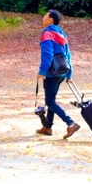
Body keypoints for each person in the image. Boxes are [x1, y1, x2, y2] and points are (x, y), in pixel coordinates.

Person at [37, 9, 81, 139]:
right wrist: (69, 74)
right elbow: (67, 55)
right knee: (51, 100)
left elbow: (47, 54)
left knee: (50, 101)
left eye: (45, 16)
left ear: (51, 20)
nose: (43, 18)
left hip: (52, 73)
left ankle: (71, 123)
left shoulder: (47, 33)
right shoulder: (61, 33)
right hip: (62, 72)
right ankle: (48, 127)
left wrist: (42, 71)